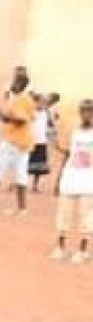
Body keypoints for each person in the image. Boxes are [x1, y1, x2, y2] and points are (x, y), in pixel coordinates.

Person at [0, 69, 35, 215]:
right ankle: (22, 208)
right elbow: (29, 118)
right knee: (20, 174)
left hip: (13, 142)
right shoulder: (20, 99)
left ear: (20, 84)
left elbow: (20, 120)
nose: (12, 83)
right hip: (21, 142)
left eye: (14, 81)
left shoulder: (22, 99)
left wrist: (0, 114)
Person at [51, 99, 93, 262]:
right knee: (63, 215)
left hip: (88, 182)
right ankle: (60, 247)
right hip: (70, 178)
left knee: (86, 217)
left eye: (90, 111)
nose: (87, 114)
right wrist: (59, 178)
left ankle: (82, 250)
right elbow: (68, 155)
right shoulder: (75, 133)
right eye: (84, 111)